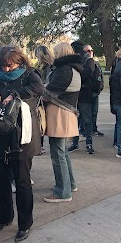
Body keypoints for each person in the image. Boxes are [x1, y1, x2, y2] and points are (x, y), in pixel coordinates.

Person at [0, 46, 43, 242]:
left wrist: (15, 94)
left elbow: (39, 89)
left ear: (19, 61)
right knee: (0, 177)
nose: (5, 70)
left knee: (22, 181)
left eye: (9, 66)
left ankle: (25, 223)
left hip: (22, 133)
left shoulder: (29, 74)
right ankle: (5, 217)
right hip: (1, 132)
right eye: (2, 66)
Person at [43, 42, 82, 202]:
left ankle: (63, 191)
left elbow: (48, 93)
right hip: (67, 113)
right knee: (62, 152)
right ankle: (69, 184)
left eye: (55, 52)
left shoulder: (64, 70)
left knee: (58, 153)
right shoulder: (74, 68)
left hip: (60, 114)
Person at [68, 44, 96, 154]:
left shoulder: (89, 61)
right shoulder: (78, 61)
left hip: (85, 94)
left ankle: (89, 142)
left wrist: (77, 70)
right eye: (88, 50)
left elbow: (85, 74)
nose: (89, 52)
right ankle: (75, 143)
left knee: (86, 119)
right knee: (76, 120)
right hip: (76, 94)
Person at [34, 45, 54, 153]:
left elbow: (46, 81)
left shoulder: (47, 66)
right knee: (41, 121)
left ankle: (40, 145)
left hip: (43, 96)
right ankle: (39, 145)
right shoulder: (45, 66)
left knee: (41, 120)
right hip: (42, 96)